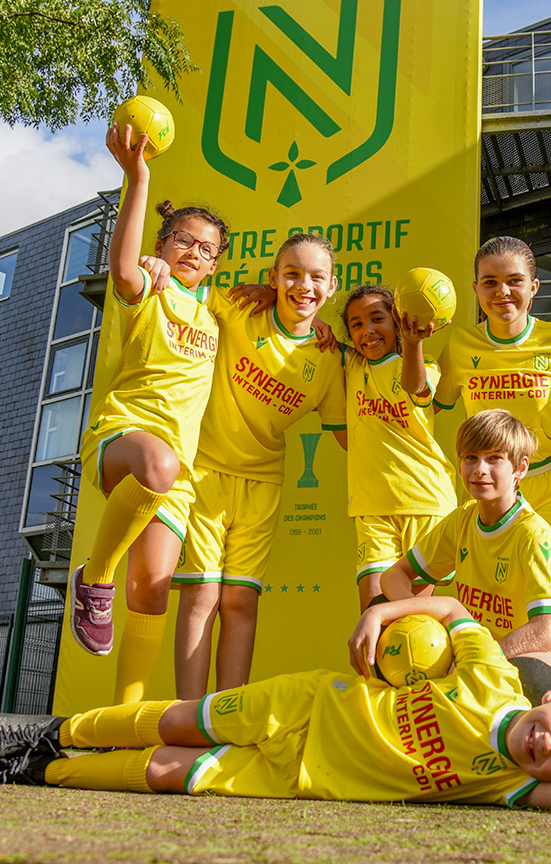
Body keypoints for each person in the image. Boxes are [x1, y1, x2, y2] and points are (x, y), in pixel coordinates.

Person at [0, 597, 551, 825]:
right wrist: (384, 615)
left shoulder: (502, 785)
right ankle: (52, 728)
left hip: (301, 778)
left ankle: (40, 771)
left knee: (165, 773)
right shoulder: (495, 679)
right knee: (178, 720)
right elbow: (456, 609)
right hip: (307, 701)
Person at [68, 124, 226, 706]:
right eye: (183, 240)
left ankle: (123, 721)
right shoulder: (146, 289)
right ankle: (96, 577)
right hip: (124, 440)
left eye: (207, 249)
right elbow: (123, 267)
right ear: (163, 246)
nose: (194, 252)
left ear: (214, 266)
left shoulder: (214, 319)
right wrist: (138, 178)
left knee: (153, 590)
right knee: (158, 464)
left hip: (175, 479)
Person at [170, 232, 348, 699]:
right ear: (273, 278)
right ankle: (189, 717)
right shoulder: (240, 307)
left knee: (240, 600)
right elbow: (184, 288)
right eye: (291, 274)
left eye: (316, 277)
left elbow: (349, 433)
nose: (303, 285)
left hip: (263, 480)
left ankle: (226, 719)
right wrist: (153, 264)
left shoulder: (330, 359)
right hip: (204, 470)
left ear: (333, 286)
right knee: (200, 596)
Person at [380, 410, 551, 702]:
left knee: (526, 677)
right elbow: (393, 575)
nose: (479, 469)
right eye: (470, 458)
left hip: (540, 654)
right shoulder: (463, 520)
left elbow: (546, 631)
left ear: (520, 469)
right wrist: (418, 620)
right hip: (475, 649)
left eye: (493, 458)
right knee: (392, 632)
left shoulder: (532, 533)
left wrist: (479, 657)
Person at [432, 237, 551, 566]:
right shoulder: (461, 344)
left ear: (534, 287)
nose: (502, 292)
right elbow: (421, 408)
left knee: (541, 588)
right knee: (497, 598)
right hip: (488, 484)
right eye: (490, 282)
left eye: (514, 281)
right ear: (476, 289)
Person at [340, 284, 458, 610]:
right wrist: (269, 292)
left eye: (377, 319)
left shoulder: (425, 365)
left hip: (424, 502)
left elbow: (415, 386)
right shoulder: (352, 366)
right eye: (357, 324)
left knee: (409, 617)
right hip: (371, 508)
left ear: (396, 322)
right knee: (374, 611)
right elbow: (306, 331)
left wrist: (413, 343)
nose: (368, 330)